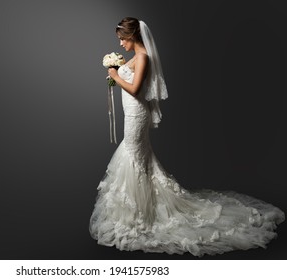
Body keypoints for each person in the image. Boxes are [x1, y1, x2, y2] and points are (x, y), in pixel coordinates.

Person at [89, 17, 285, 257]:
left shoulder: (143, 58)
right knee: (141, 160)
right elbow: (128, 81)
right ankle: (142, 207)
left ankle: (139, 214)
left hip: (136, 115)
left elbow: (135, 89)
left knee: (134, 157)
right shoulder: (135, 57)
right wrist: (118, 70)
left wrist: (116, 75)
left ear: (134, 37)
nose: (120, 44)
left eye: (122, 39)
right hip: (131, 113)